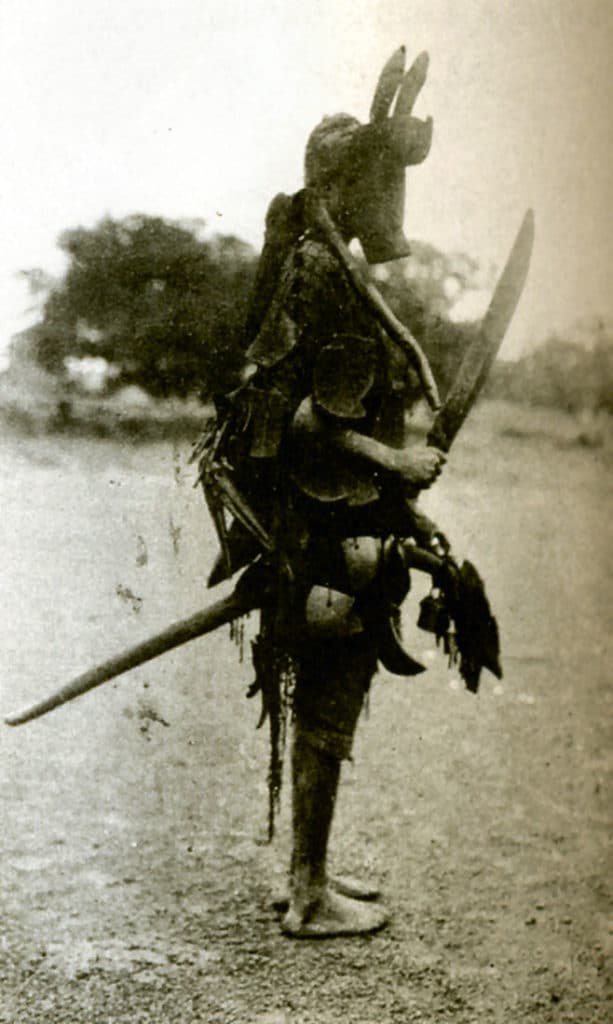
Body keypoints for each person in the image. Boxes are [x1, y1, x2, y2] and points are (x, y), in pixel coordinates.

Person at [197, 47, 463, 938]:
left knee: (327, 694)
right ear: (349, 183)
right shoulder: (321, 271)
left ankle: (308, 874)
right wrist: (394, 467)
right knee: (329, 693)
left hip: (335, 523)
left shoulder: (322, 260)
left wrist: (400, 481)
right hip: (324, 535)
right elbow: (302, 415)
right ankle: (309, 896)